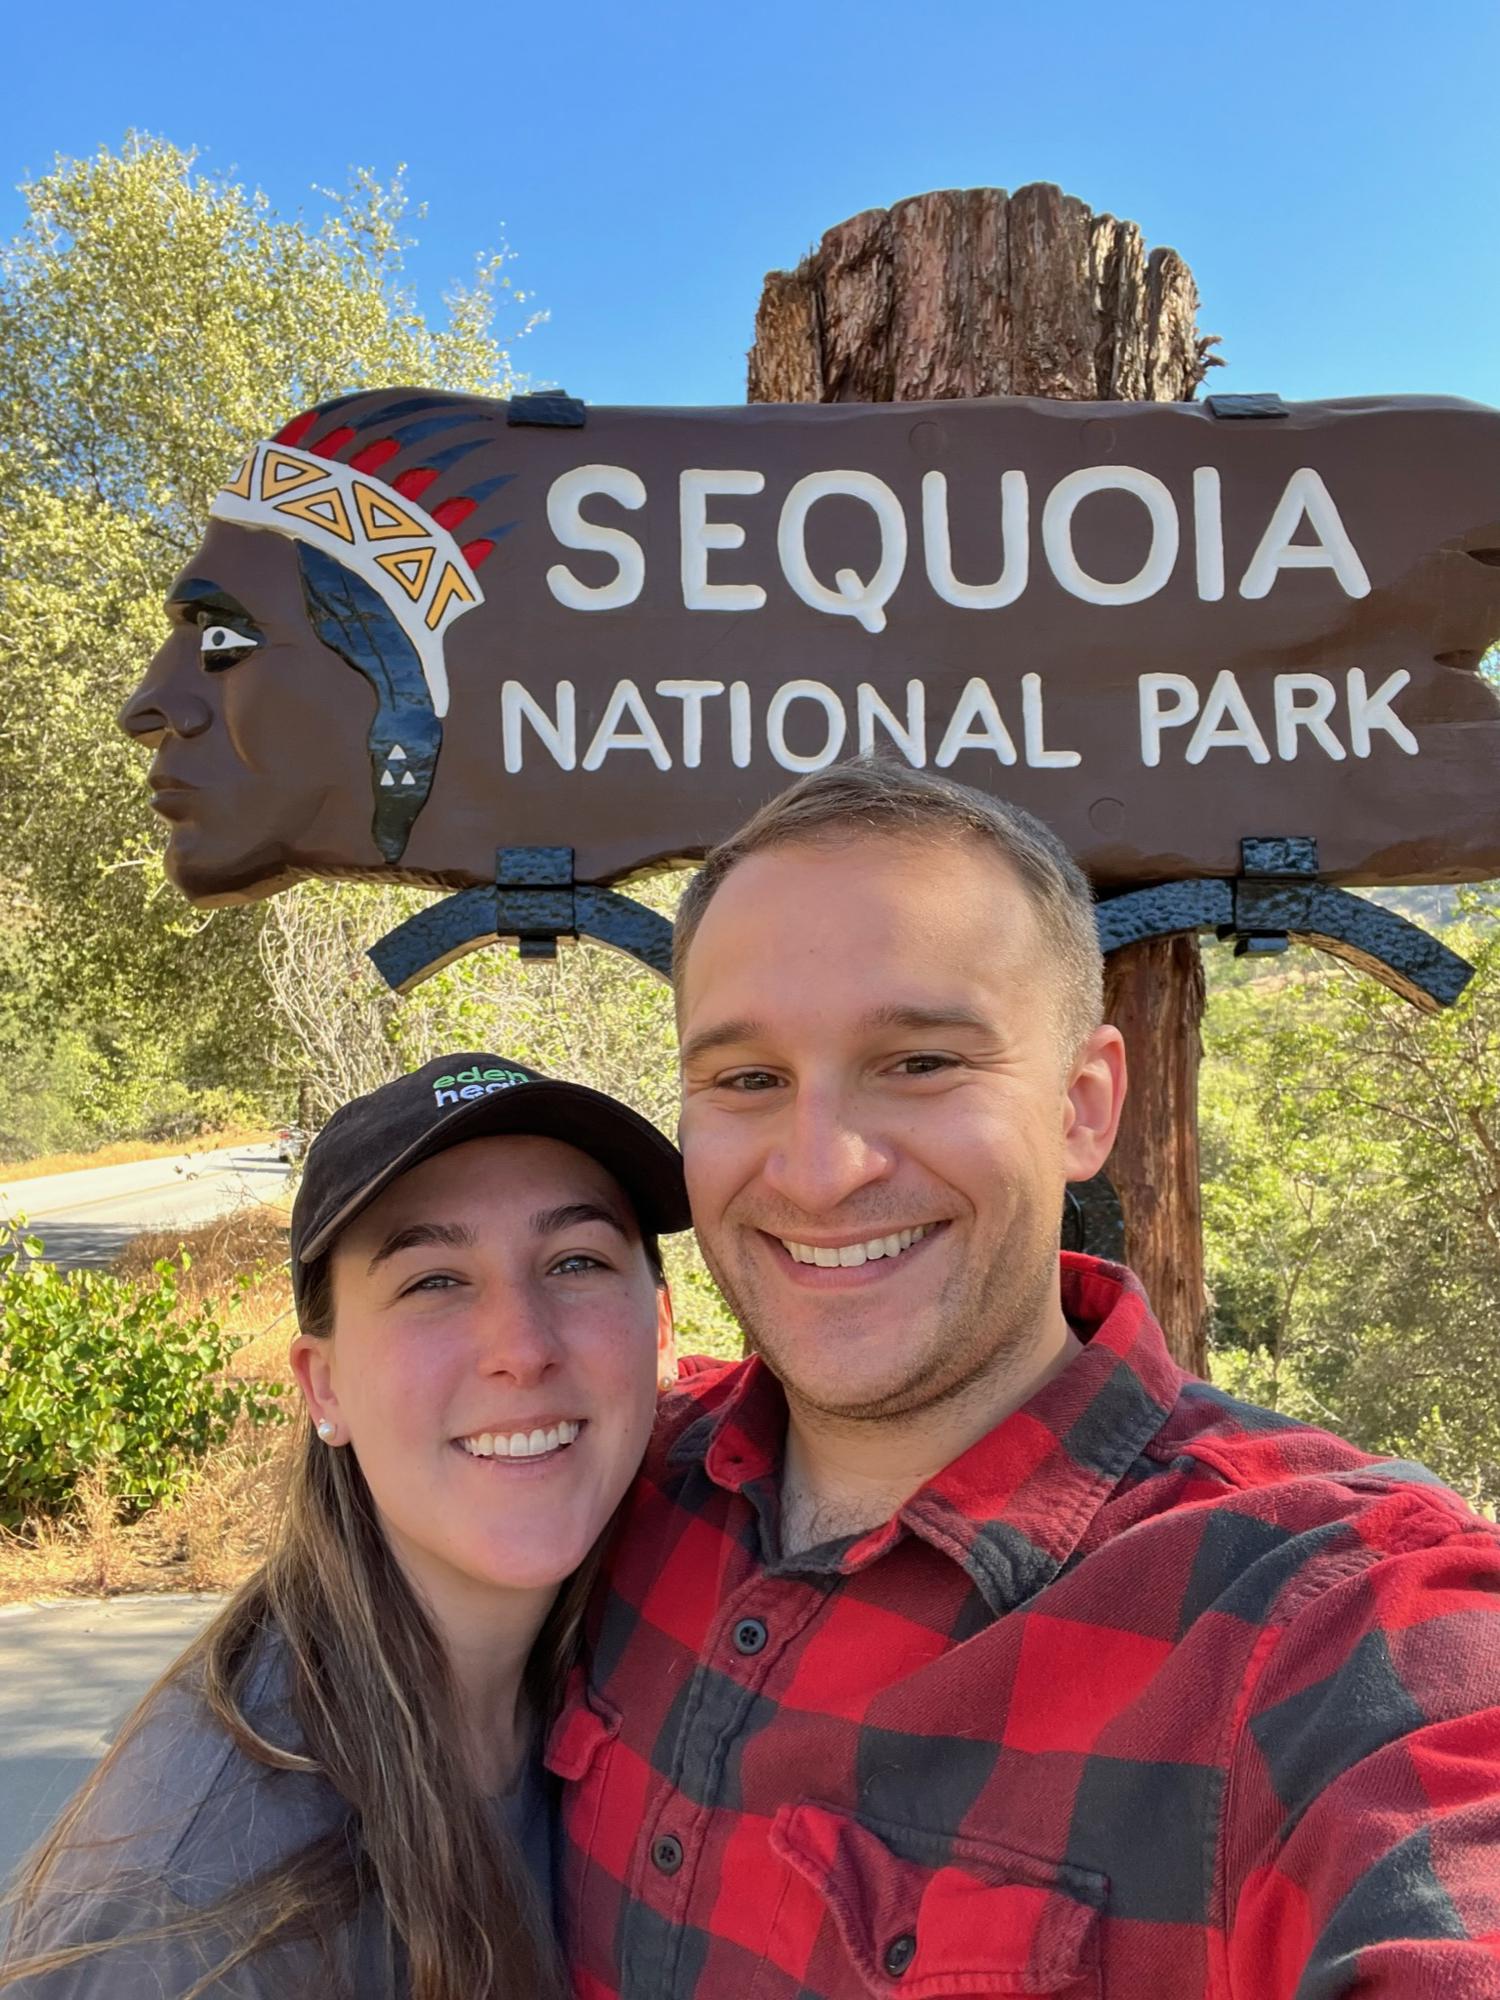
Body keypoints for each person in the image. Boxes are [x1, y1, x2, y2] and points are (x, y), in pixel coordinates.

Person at [550, 760, 1500, 1999]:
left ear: (1083, 1103)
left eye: (922, 1062)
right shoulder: (617, 1487)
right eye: (747, 1079)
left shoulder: (1329, 1621)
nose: (822, 1167)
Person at [2, 1054, 687, 1999]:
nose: (523, 1349)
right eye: (433, 1281)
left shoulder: (634, 1653)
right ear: (324, 1386)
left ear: (661, 1330)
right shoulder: (205, 1919)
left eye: (576, 1261)